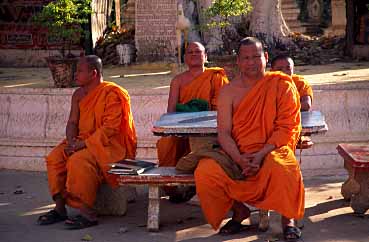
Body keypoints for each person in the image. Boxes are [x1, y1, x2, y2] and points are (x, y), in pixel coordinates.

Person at [194, 37, 304, 241]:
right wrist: (239, 158)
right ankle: (239, 211)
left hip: (272, 149)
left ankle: (288, 221)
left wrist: (261, 155)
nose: (251, 62)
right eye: (246, 58)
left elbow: (286, 127)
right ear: (238, 61)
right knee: (206, 172)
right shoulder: (228, 91)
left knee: (284, 166)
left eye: (256, 56)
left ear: (266, 57)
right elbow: (224, 132)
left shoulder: (281, 85)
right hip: (238, 152)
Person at [37, 55, 137, 229]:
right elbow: (73, 122)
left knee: (78, 160)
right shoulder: (78, 94)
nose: (76, 74)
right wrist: (71, 142)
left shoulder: (112, 93)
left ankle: (87, 214)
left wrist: (82, 146)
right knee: (54, 158)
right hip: (81, 140)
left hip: (108, 145)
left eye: (80, 71)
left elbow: (110, 129)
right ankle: (60, 209)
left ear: (93, 73)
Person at [156, 42, 229, 202]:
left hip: (209, 128)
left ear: (206, 56)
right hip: (181, 127)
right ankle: (171, 187)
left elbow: (222, 108)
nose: (194, 55)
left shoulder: (216, 77)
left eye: (198, 52)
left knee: (205, 145)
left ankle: (200, 184)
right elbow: (171, 111)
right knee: (165, 144)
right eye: (190, 52)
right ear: (185, 58)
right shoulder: (178, 80)